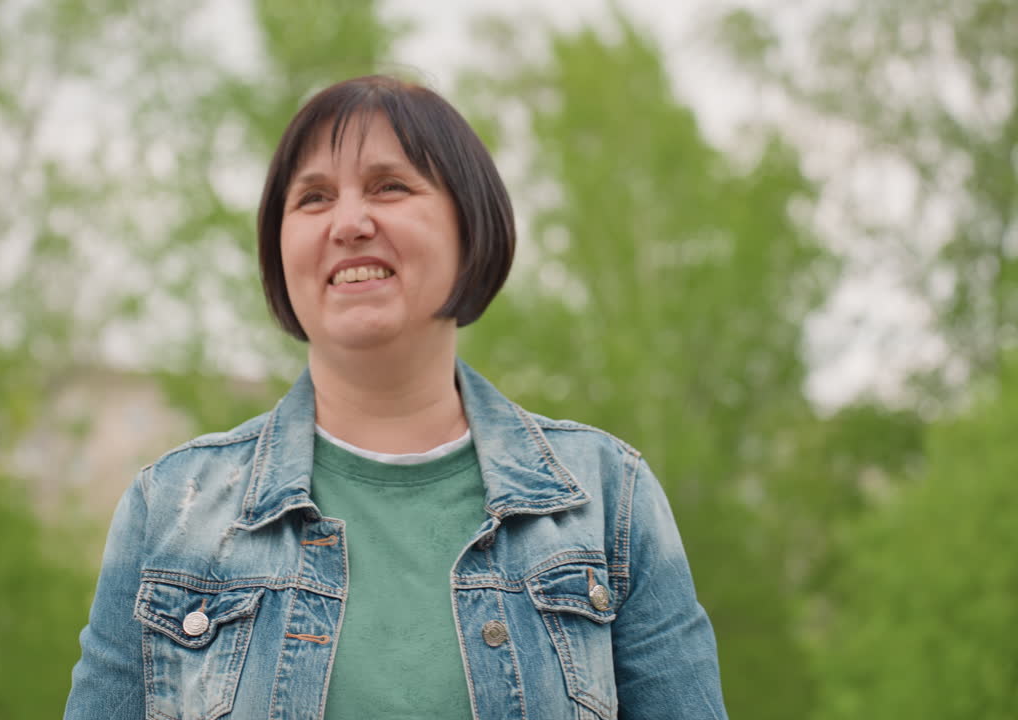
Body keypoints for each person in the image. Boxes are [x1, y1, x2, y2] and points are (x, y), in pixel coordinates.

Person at [64, 75, 727, 720]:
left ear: (471, 228)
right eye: (314, 198)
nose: (349, 223)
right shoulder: (171, 510)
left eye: (389, 186)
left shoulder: (609, 499)